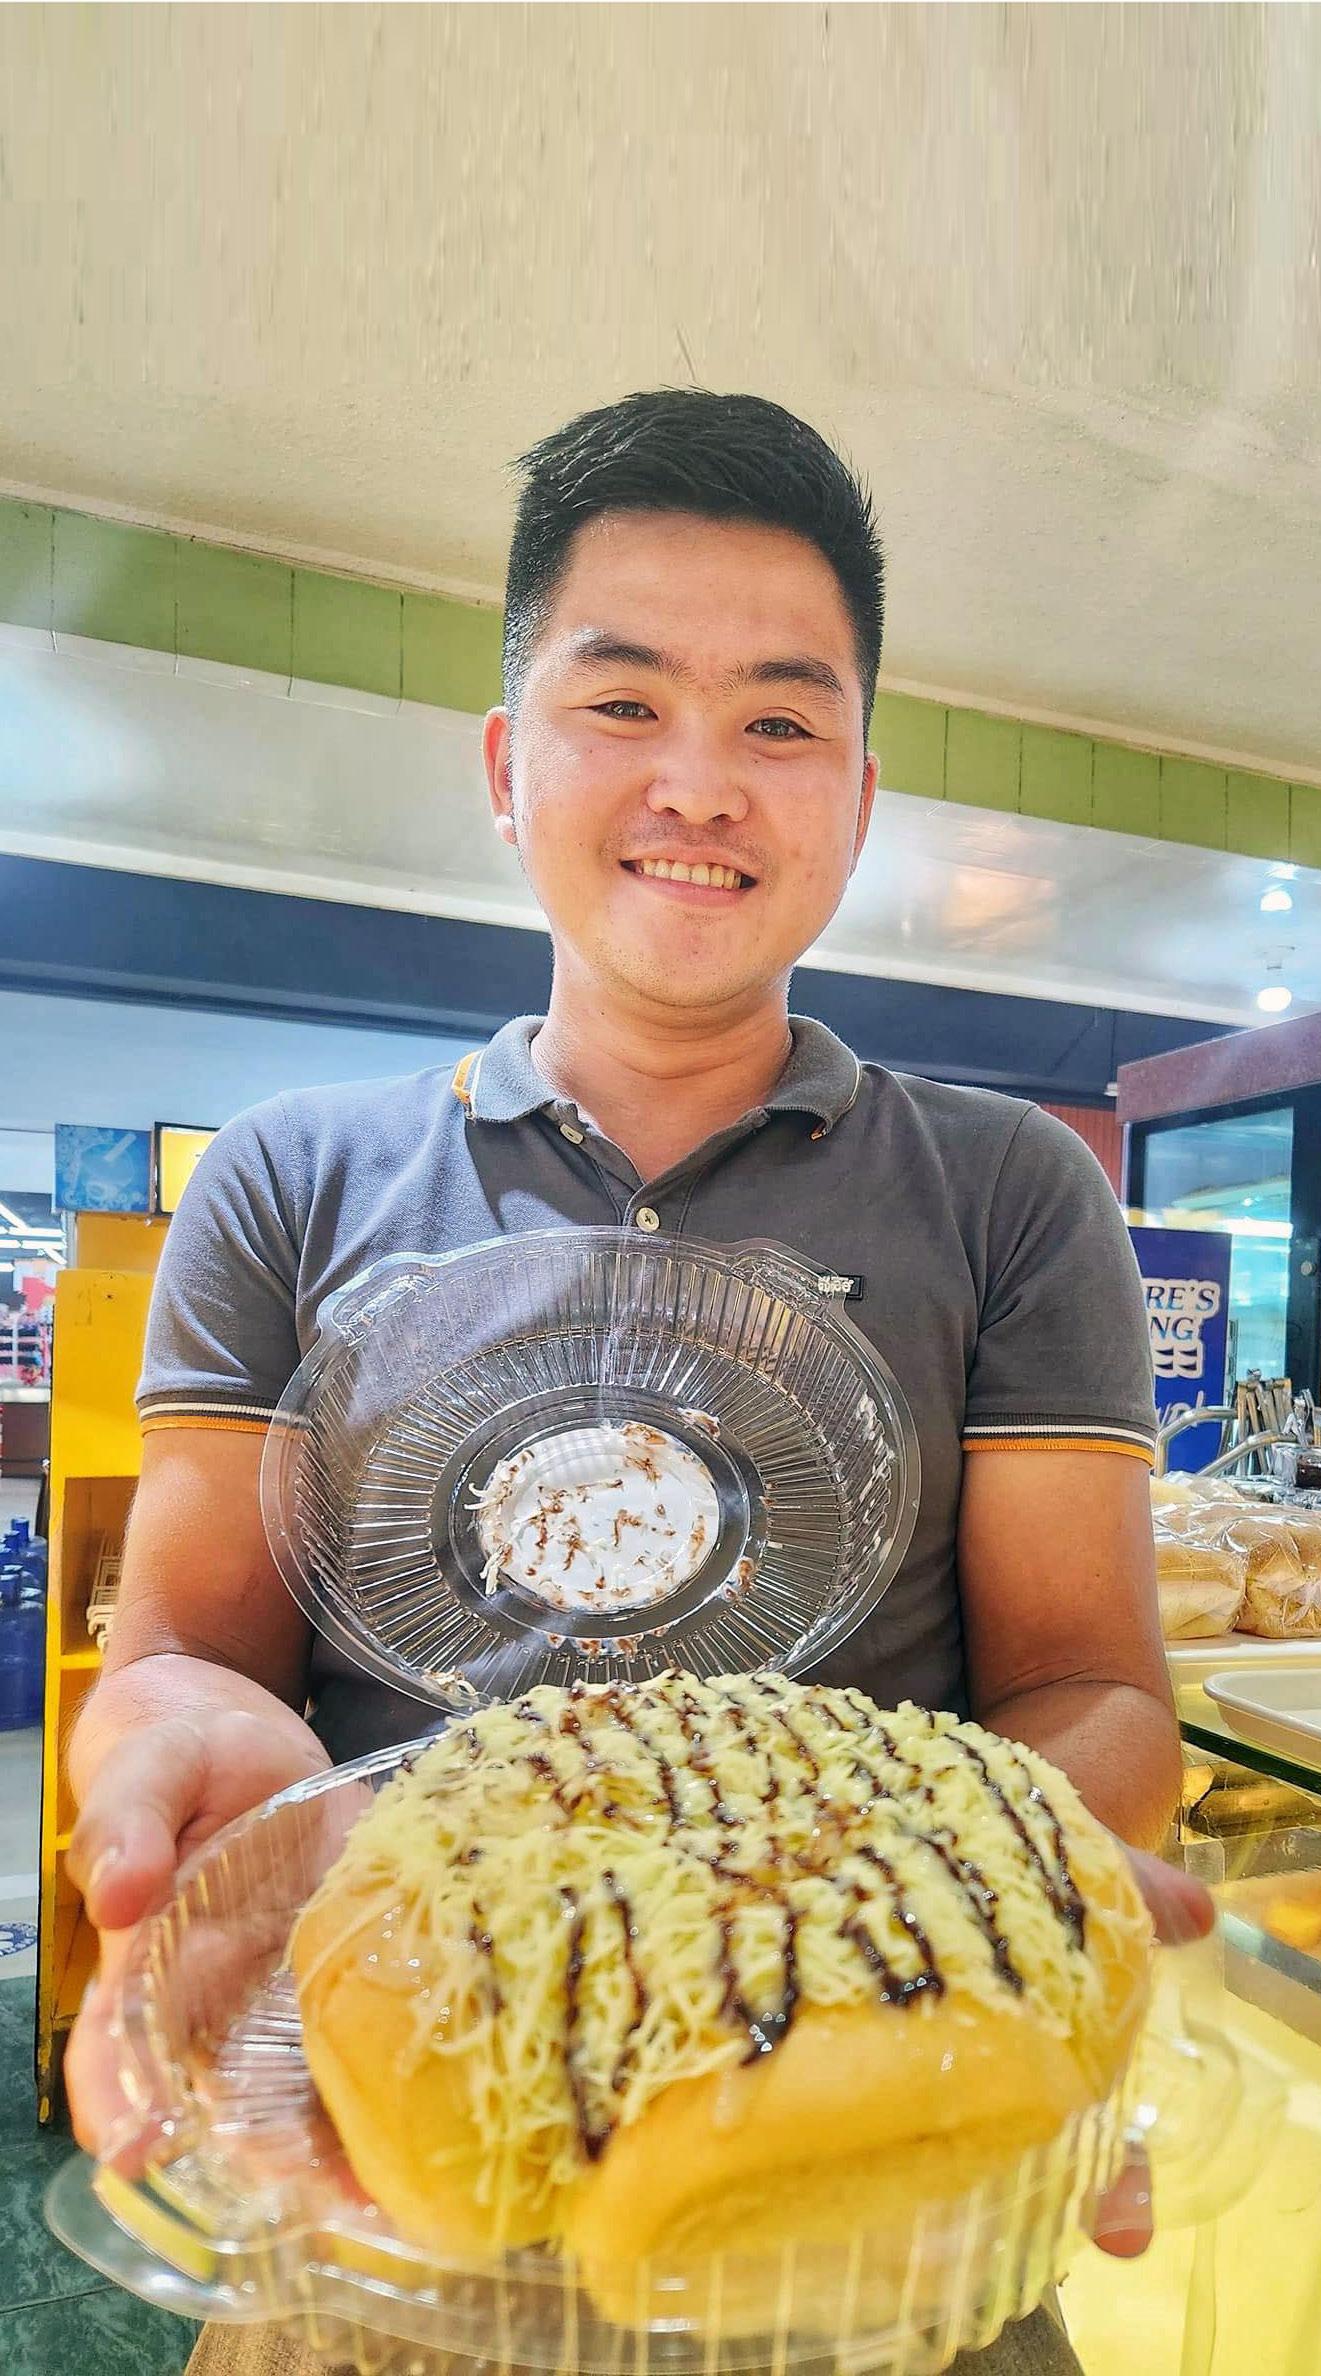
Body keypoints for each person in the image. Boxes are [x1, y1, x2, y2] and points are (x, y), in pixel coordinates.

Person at [67, 391, 1209, 2376]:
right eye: (622, 704)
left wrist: (1004, 1905)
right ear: (506, 766)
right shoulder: (290, 1176)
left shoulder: (1012, 1188)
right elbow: (191, 1651)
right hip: (378, 2203)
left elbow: (1088, 1684)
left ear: (859, 794)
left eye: (780, 722)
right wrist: (175, 1756)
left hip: (879, 2203)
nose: (701, 782)